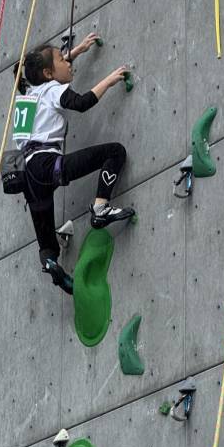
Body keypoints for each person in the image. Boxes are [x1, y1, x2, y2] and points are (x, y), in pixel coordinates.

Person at [12, 34, 135, 294]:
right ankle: (100, 208)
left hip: (28, 175)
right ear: (47, 73)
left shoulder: (27, 94)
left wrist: (76, 51)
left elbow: (49, 74)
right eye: (62, 58)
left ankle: (51, 265)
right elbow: (81, 103)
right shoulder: (52, 90)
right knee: (115, 153)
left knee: (46, 242)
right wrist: (109, 80)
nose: (68, 62)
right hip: (47, 164)